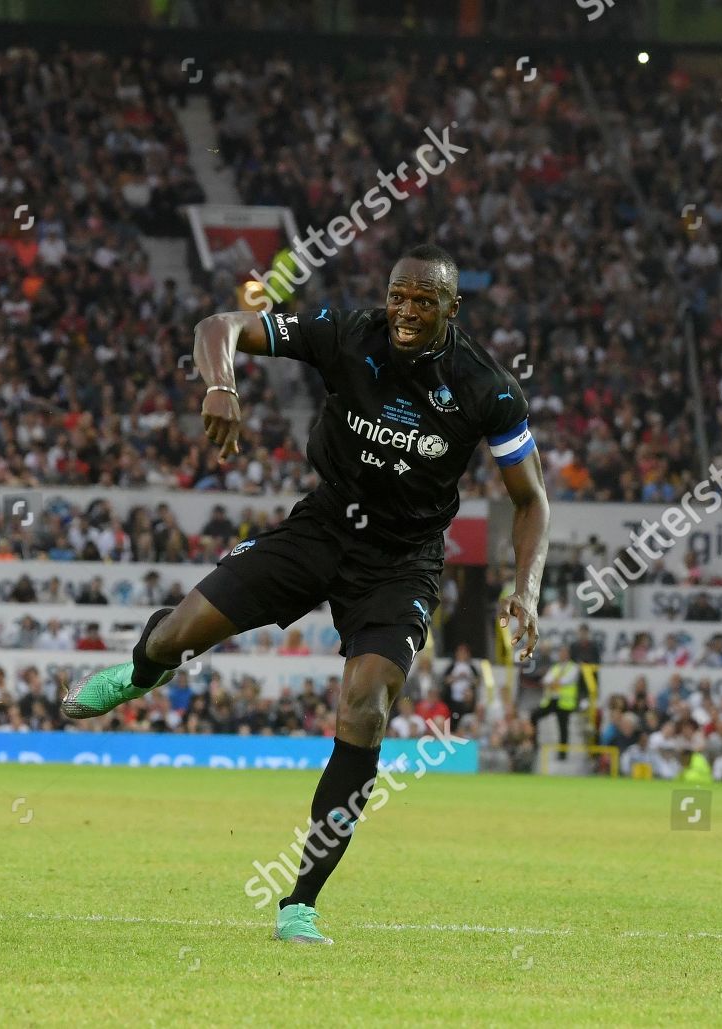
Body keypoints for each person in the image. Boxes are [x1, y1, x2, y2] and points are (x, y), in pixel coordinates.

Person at [60, 245, 548, 945]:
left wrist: (525, 590)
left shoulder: (486, 387)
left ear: (452, 307)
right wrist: (220, 383)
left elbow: (531, 499)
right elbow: (219, 325)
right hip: (320, 527)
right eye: (398, 296)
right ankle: (143, 669)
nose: (406, 311)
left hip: (401, 563)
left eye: (423, 301)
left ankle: (300, 903)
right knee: (177, 636)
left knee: (366, 708)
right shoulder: (348, 333)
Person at [531, 645, 584, 755]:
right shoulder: (555, 667)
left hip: (565, 702)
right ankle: (534, 743)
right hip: (552, 700)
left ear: (568, 655)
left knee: (563, 727)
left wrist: (553, 682)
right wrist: (554, 682)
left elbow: (566, 680)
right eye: (560, 653)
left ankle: (563, 753)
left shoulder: (573, 667)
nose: (561, 655)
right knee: (534, 715)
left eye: (564, 653)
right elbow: (545, 680)